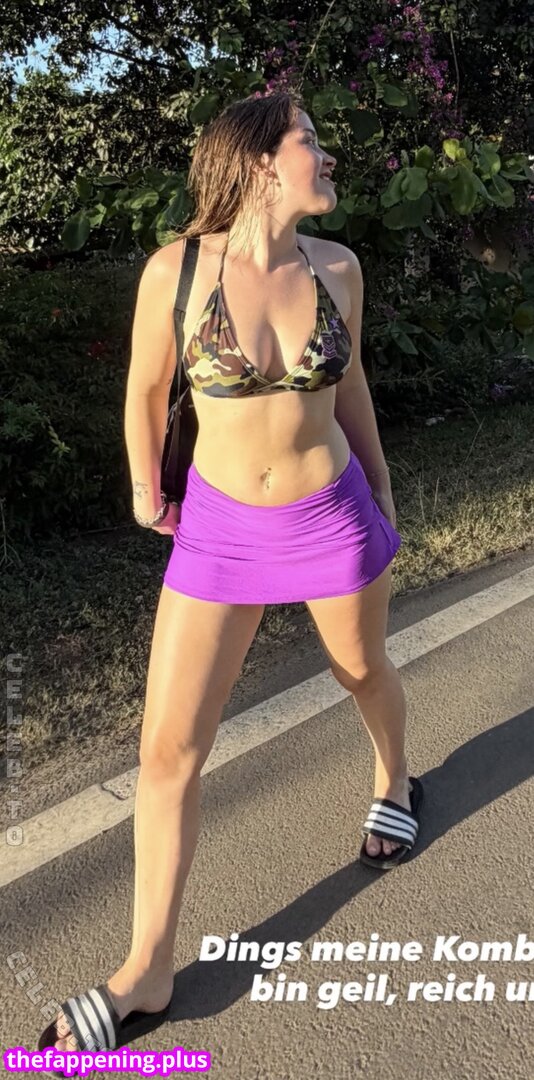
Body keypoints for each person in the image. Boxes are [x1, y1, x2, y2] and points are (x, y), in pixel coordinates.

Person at [38, 88, 423, 1060]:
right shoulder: (176, 270)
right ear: (259, 161)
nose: (327, 157)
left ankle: (396, 775)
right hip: (217, 532)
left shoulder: (338, 267)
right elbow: (145, 387)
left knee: (361, 669)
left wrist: (381, 485)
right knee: (168, 750)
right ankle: (147, 967)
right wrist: (143, 489)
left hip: (330, 512)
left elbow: (351, 383)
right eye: (311, 142)